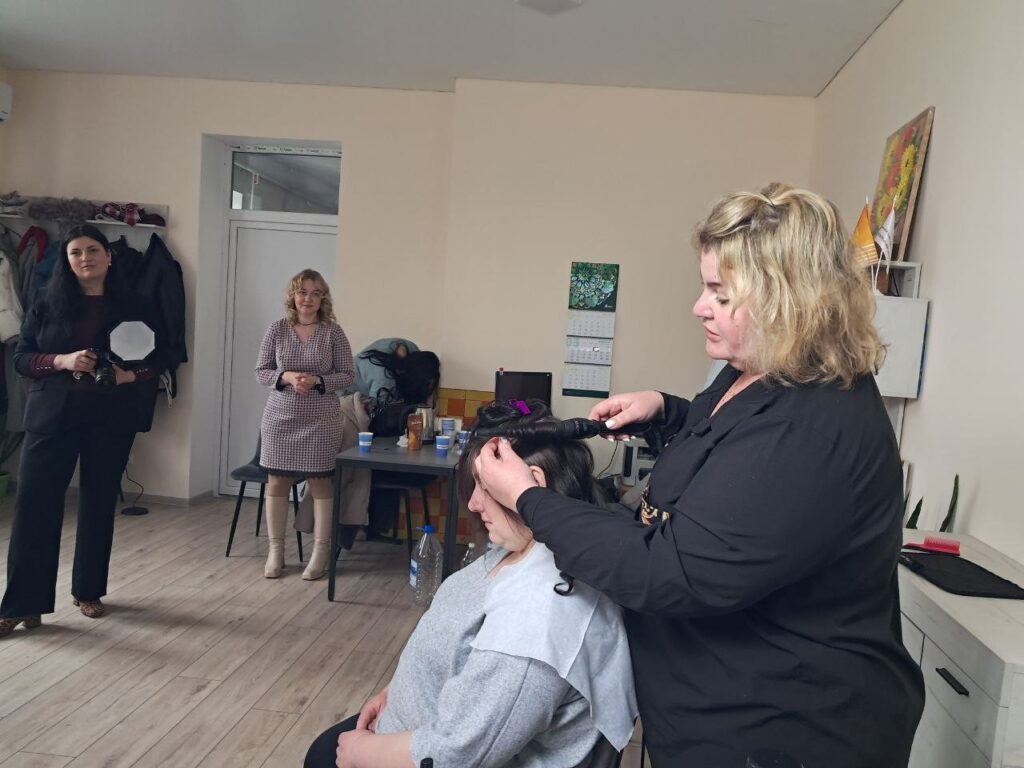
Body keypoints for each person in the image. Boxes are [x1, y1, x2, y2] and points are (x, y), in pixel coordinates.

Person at [476, 184, 925, 768]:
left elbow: (665, 571)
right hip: (705, 716)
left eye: (720, 293)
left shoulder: (811, 429)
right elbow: (735, 449)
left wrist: (530, 500)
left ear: (786, 301)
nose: (699, 306)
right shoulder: (756, 370)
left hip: (786, 733)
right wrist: (667, 413)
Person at [305, 400, 637, 768]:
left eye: (485, 486)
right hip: (406, 725)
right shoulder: (521, 547)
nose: (474, 504)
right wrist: (395, 692)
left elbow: (457, 754)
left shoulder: (536, 624)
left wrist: (361, 753)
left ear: (533, 484)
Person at [0, 224, 168, 636]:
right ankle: (23, 605)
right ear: (66, 260)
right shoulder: (46, 300)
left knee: (97, 504)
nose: (84, 258)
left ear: (108, 256)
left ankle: (88, 591)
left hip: (110, 418)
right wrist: (61, 360)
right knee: (34, 507)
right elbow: (23, 357)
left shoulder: (137, 304)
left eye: (92, 250)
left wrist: (130, 376)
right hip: (51, 417)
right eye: (75, 252)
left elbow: (160, 357)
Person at [255, 269, 354, 580]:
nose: (308, 299)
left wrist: (317, 381)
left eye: (315, 293)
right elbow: (261, 371)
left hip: (321, 420)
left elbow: (348, 375)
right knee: (277, 482)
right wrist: (285, 377)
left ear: (323, 299)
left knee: (320, 483)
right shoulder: (277, 329)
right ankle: (276, 551)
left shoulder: (333, 332)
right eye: (302, 292)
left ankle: (320, 552)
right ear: (292, 296)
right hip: (280, 418)